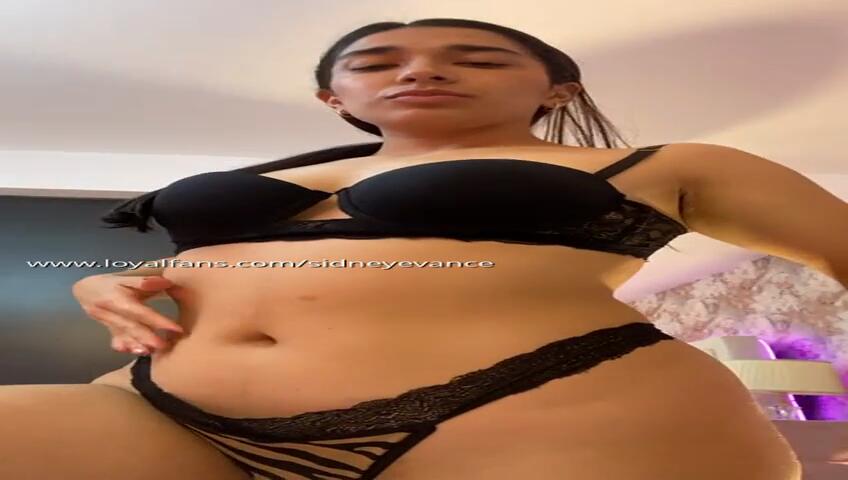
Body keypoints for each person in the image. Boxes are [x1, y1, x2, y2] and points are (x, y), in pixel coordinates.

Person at [7, 17, 847, 480]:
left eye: (476, 58)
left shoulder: (666, 164)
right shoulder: (284, 174)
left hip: (532, 418)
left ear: (559, 89)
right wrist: (106, 282)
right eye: (377, 61)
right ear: (335, 98)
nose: (419, 70)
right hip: (170, 413)